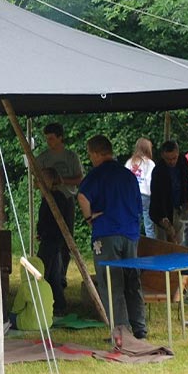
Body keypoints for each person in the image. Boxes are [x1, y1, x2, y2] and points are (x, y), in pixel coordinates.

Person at [77, 135, 146, 340]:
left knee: (111, 282)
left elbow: (82, 196)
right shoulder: (128, 175)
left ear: (97, 153)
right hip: (131, 233)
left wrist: (89, 217)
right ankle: (139, 326)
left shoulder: (96, 174)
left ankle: (120, 331)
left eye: (90, 154)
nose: (91, 159)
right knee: (132, 280)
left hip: (107, 233)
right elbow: (138, 206)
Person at [36, 123, 83, 286]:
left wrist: (62, 181)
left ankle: (61, 275)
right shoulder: (43, 158)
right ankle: (48, 275)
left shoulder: (71, 157)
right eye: (47, 139)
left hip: (66, 200)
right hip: (48, 200)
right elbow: (36, 182)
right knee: (48, 238)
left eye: (51, 138)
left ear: (60, 137)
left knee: (66, 239)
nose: (48, 141)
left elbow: (79, 179)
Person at [35, 167, 70, 315]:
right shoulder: (55, 197)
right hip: (52, 238)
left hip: (52, 239)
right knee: (54, 273)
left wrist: (43, 233)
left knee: (42, 271)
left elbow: (50, 220)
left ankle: (45, 302)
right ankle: (59, 304)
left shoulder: (55, 198)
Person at [149, 140, 188, 246]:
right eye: (168, 159)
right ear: (163, 156)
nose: (172, 162)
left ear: (178, 153)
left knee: (178, 241)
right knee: (163, 243)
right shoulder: (158, 171)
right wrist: (164, 220)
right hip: (161, 210)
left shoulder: (183, 162)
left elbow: (187, 181)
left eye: (174, 158)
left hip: (178, 207)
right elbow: (157, 197)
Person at [10, 255, 53, 331]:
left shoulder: (26, 286)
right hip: (47, 323)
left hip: (28, 324)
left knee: (9, 317)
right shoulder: (47, 285)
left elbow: (17, 308)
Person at [125, 138, 155, 238]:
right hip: (145, 195)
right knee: (149, 226)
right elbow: (150, 180)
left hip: (130, 195)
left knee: (133, 223)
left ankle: (133, 246)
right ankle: (152, 249)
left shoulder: (130, 162)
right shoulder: (149, 163)